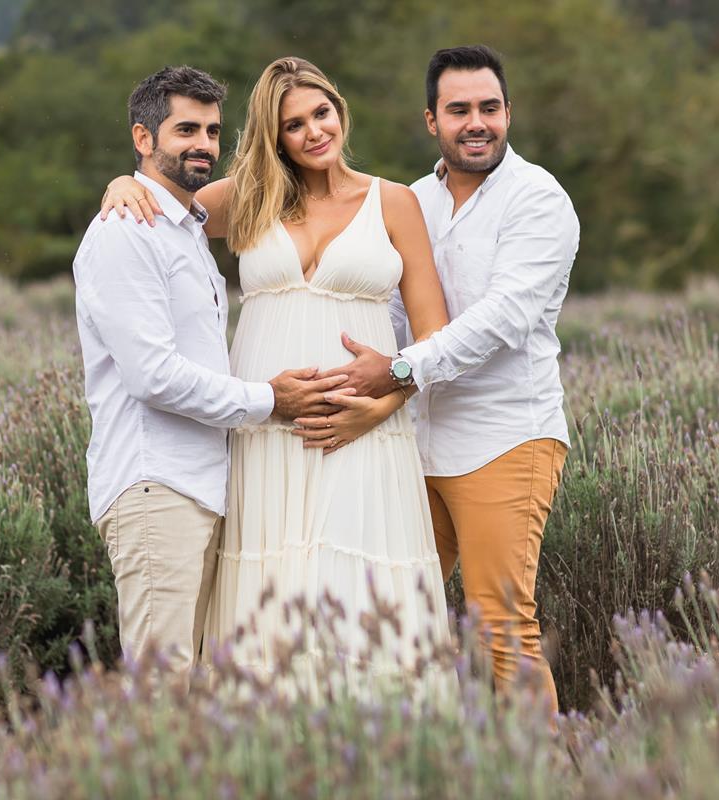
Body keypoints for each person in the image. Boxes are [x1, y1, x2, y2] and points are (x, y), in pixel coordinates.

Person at [101, 57, 456, 690]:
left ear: (340, 110)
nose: (314, 132)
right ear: (274, 136)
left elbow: (434, 336)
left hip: (366, 434)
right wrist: (117, 186)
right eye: (293, 124)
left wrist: (381, 405)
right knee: (272, 595)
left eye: (322, 113)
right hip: (265, 433)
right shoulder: (245, 199)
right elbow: (161, 203)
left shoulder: (394, 203)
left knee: (357, 595)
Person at [314, 45, 581, 713]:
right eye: (458, 109)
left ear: (508, 113)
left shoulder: (539, 198)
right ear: (431, 120)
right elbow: (393, 310)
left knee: (499, 621)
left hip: (504, 439)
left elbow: (505, 318)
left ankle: (543, 774)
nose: (477, 123)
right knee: (392, 618)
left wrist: (400, 371)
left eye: (489, 108)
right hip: (412, 445)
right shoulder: (413, 201)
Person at [73, 66, 348, 676]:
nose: (202, 144)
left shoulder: (185, 230)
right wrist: (269, 400)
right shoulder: (127, 233)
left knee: (193, 690)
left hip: (201, 486)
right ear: (144, 140)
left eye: (212, 131)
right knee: (159, 690)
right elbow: (152, 377)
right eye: (185, 130)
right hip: (155, 488)